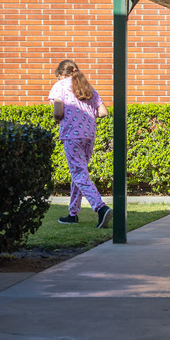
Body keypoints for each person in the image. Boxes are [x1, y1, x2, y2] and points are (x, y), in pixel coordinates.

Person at [49, 60, 112, 228]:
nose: (58, 79)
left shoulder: (60, 86)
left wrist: (57, 120)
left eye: (58, 77)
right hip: (88, 135)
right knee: (79, 173)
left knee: (78, 174)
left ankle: (101, 208)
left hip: (71, 135)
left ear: (62, 75)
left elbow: (58, 111)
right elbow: (103, 112)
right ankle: (73, 214)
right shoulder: (87, 87)